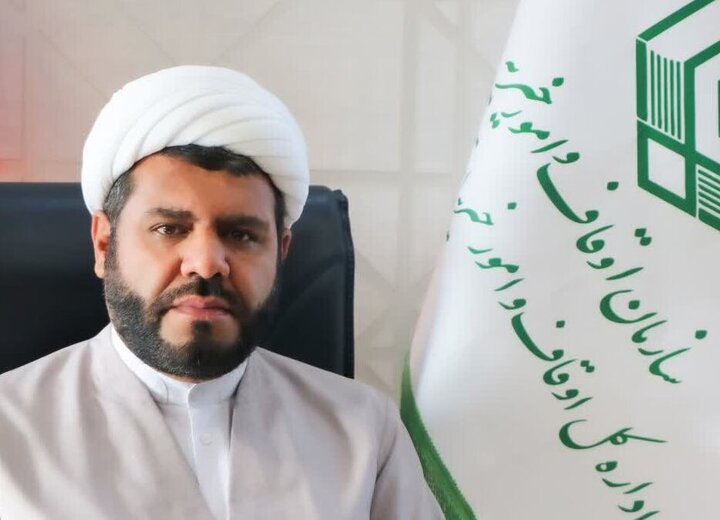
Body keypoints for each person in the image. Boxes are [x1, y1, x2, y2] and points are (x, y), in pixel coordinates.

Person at [0, 66, 442, 519]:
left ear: (281, 252)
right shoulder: (9, 428)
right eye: (169, 228)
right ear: (103, 244)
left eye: (241, 234)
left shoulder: (363, 433)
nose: (207, 262)